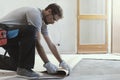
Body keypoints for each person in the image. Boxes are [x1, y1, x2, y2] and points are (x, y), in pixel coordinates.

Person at [0, 3, 70, 79]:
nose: (53, 22)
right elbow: (38, 43)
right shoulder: (35, 14)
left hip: (10, 36)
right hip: (2, 33)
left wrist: (61, 62)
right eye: (53, 19)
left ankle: (21, 67)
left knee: (17, 64)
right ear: (49, 11)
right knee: (31, 30)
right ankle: (24, 69)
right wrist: (47, 63)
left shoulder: (42, 23)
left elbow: (51, 44)